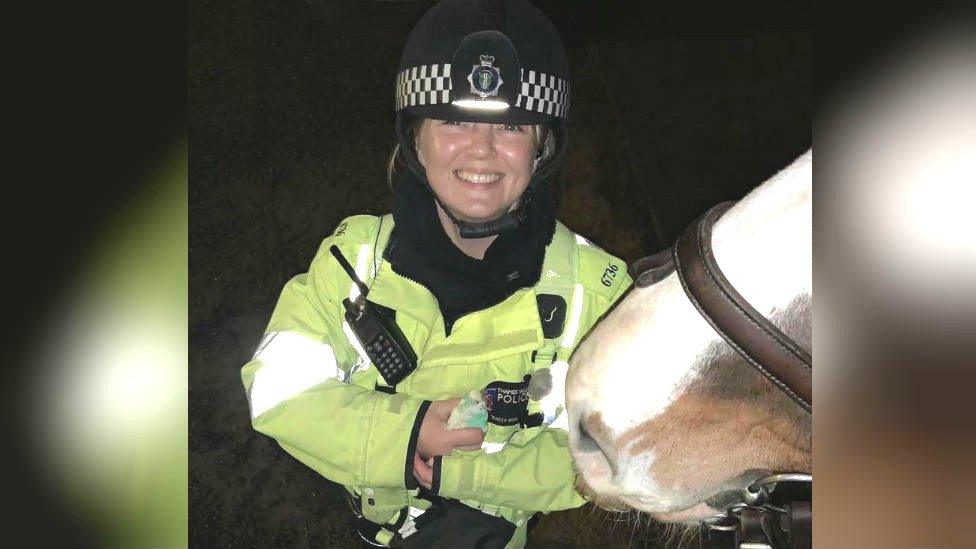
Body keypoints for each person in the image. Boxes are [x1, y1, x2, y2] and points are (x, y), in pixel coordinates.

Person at [241, 1, 632, 547]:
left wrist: (462, 473)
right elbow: (277, 390)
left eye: (512, 126)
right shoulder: (354, 263)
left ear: (542, 147)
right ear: (416, 139)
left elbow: (615, 452)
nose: (481, 149)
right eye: (453, 119)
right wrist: (407, 436)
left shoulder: (597, 294)